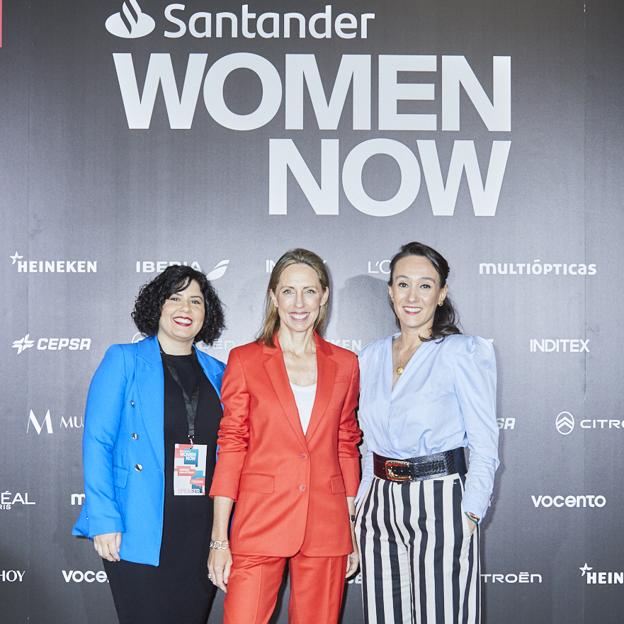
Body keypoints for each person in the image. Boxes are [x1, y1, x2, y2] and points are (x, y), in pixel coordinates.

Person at [207, 248, 361, 624]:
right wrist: (219, 538)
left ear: (324, 295)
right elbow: (232, 446)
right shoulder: (245, 361)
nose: (299, 303)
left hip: (326, 524)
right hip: (259, 520)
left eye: (309, 291)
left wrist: (350, 527)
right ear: (274, 296)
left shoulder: (345, 364)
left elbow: (346, 445)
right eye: (288, 291)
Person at [72, 265, 226, 624]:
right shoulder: (123, 360)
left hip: (199, 528)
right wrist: (104, 519)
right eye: (174, 298)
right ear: (157, 305)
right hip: (136, 524)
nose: (185, 308)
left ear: (207, 314)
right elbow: (98, 441)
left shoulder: (220, 371)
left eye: (195, 301)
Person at [356, 241, 499, 624]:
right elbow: (368, 443)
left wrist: (469, 512)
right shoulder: (369, 357)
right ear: (390, 291)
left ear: (441, 293)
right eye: (403, 284)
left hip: (440, 499)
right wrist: (361, 506)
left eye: (425, 285)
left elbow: (485, 443)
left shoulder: (463, 352)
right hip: (379, 506)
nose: (413, 295)